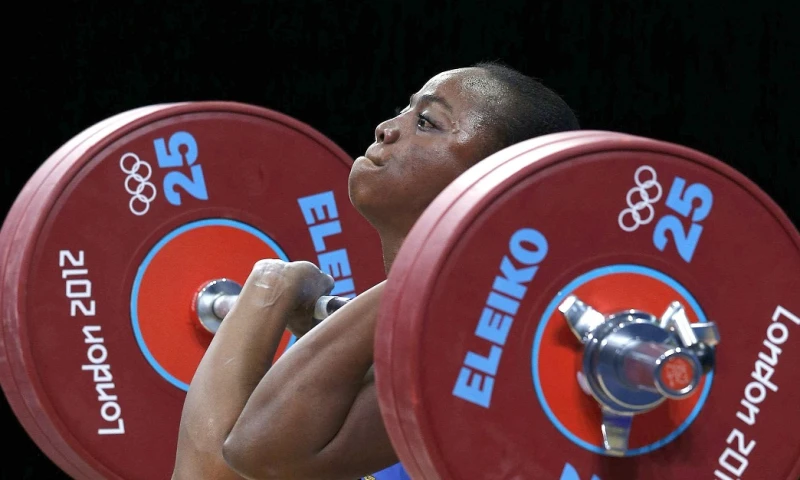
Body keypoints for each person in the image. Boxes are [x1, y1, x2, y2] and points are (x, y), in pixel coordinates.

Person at [171, 61, 581, 480]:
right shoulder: (384, 342)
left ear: (497, 185)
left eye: (426, 122)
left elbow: (246, 457)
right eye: (405, 109)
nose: (386, 127)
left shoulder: (483, 354)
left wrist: (267, 290)